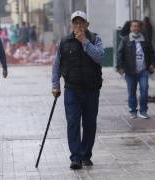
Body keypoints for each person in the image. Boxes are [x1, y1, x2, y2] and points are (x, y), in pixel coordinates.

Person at [52, 10, 104, 170]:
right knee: (73, 122)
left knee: (89, 123)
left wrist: (85, 42)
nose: (79, 25)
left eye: (82, 22)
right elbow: (56, 65)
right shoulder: (64, 41)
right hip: (72, 89)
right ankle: (75, 157)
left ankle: (85, 154)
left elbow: (100, 57)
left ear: (87, 24)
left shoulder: (95, 39)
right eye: (76, 22)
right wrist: (55, 84)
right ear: (72, 24)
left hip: (91, 89)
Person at [117, 20, 155, 119]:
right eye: (134, 26)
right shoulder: (125, 40)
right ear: (130, 28)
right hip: (130, 71)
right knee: (132, 92)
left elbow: (152, 53)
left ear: (140, 28)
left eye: (137, 26)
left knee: (144, 89)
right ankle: (133, 111)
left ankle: (143, 111)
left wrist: (152, 64)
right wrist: (120, 67)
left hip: (143, 70)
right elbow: (119, 54)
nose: (136, 28)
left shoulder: (145, 40)